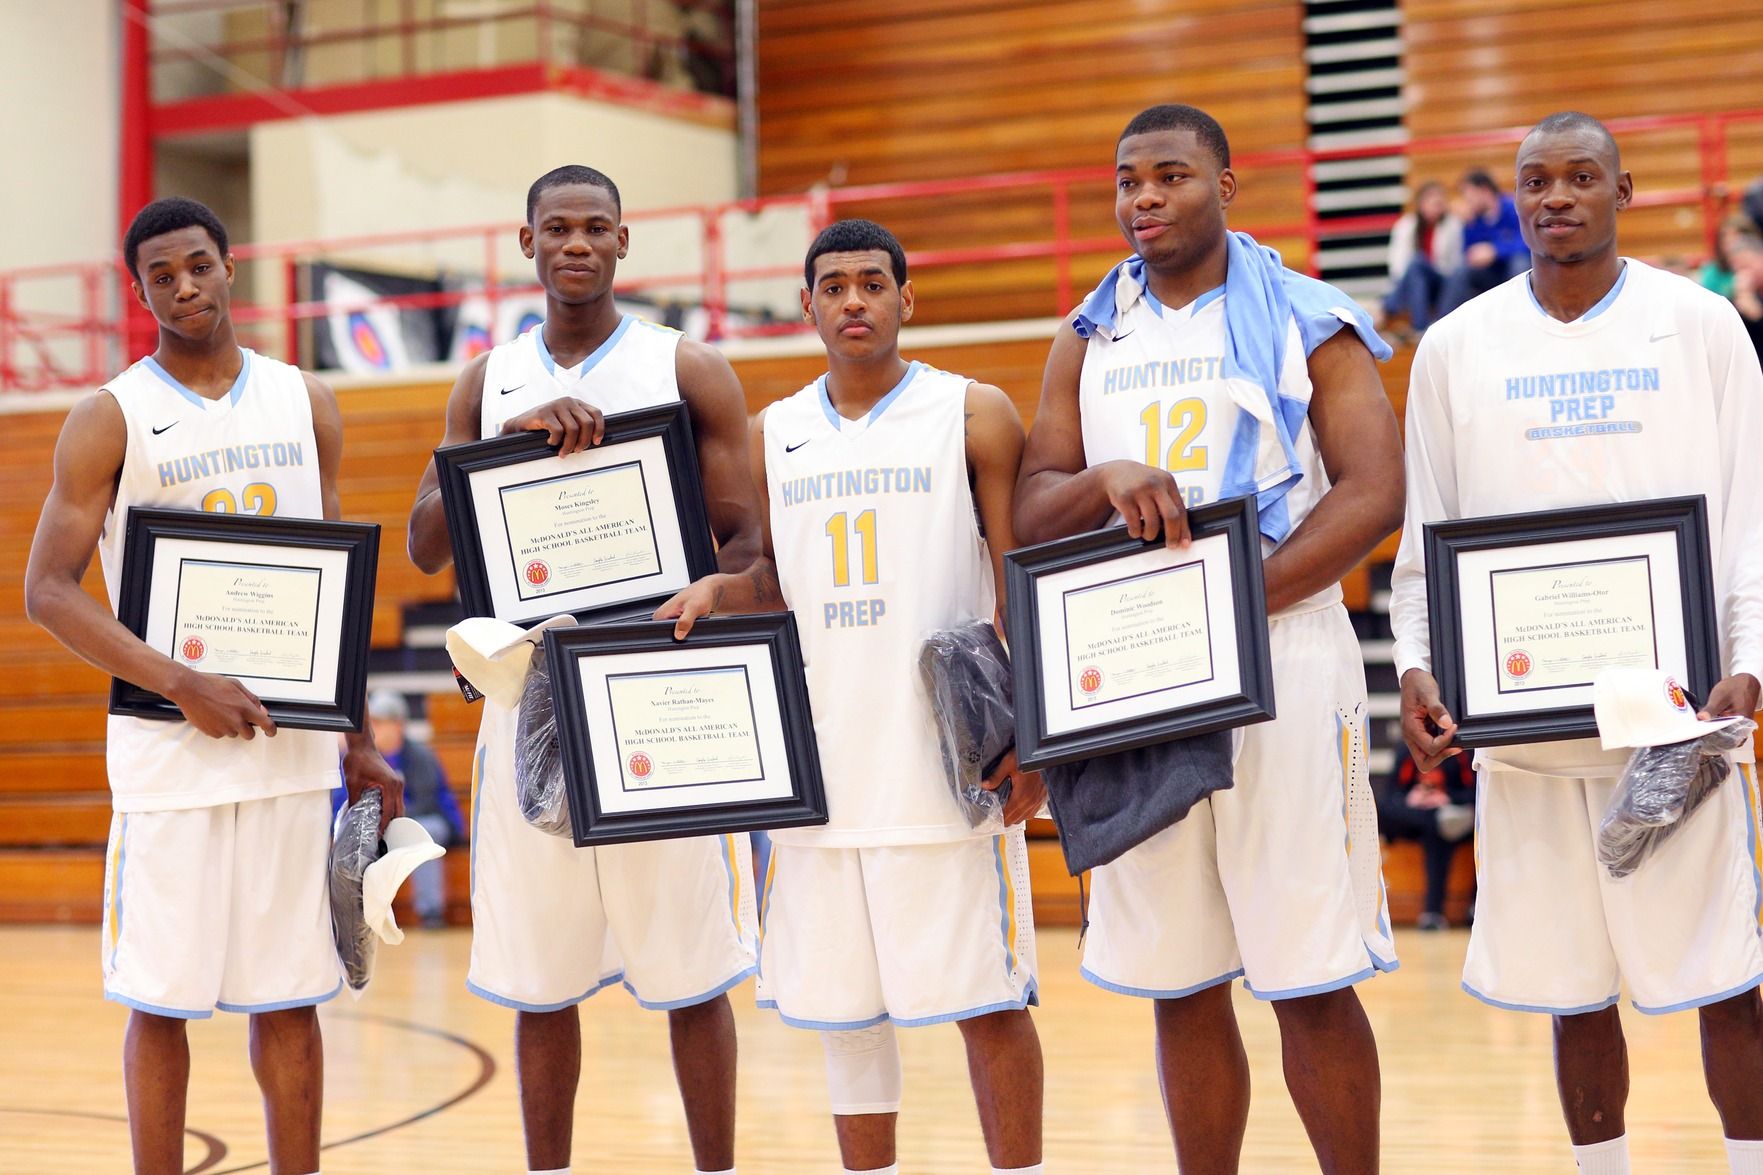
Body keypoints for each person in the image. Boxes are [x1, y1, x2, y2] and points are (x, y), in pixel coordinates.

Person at [1014, 104, 1403, 1173]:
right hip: (1139, 671)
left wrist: (1231, 605)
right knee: (1178, 977)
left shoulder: (1308, 318)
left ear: (1226, 185)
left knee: (1305, 974)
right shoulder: (1086, 336)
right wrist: (1101, 476)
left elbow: (1372, 494)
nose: (1142, 197)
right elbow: (1031, 508)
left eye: (1170, 176)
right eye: (1126, 179)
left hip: (1279, 661)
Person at [1391, 112, 1763, 1175]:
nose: (1555, 196)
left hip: (1677, 719)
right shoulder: (1456, 346)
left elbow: (1746, 512)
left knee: (1724, 973)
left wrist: (1747, 661)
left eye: (1580, 177)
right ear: (1512, 200)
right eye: (1534, 181)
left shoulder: (1698, 326)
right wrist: (1415, 660)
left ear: (1623, 189)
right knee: (1567, 988)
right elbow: (1427, 530)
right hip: (1523, 727)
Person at [22, 196, 404, 1175]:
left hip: (291, 748)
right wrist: (180, 678)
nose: (185, 286)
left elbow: (334, 584)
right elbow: (48, 590)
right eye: (162, 275)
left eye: (199, 265)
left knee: (291, 991)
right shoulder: (107, 415)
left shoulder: (303, 399)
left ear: (229, 266)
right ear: (139, 288)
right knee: (162, 996)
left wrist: (356, 733)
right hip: (169, 752)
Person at [407, 164, 775, 1175]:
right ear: (526, 245)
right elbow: (425, 545)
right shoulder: (487, 381)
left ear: (623, 242)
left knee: (693, 973)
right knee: (540, 976)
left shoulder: (683, 367)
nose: (576, 243)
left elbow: (747, 543)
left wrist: (711, 593)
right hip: (528, 694)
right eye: (556, 228)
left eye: (595, 228)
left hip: (658, 692)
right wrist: (499, 456)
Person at [750, 218, 1046, 1175]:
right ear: (805, 306)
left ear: (905, 300)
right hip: (820, 768)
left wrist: (1036, 736)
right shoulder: (773, 430)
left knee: (987, 1002)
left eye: (872, 284)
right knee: (845, 1013)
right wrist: (719, 591)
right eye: (831, 286)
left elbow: (1020, 584)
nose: (852, 301)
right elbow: (766, 580)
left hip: (946, 766)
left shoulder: (973, 411)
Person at [365, 689, 462, 927]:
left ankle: (431, 913)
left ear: (398, 724)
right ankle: (365, 912)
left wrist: (391, 819)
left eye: (380, 722)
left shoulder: (420, 756)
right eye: (373, 722)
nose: (374, 728)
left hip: (428, 820)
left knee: (425, 836)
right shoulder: (367, 757)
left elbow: (428, 802)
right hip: (387, 825)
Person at [1374, 742, 1474, 930]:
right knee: (1386, 810)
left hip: (1450, 818)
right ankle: (1433, 912)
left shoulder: (1461, 751)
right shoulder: (1407, 749)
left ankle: (1435, 912)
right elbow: (1390, 794)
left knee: (1441, 826)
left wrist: (1446, 798)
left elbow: (1475, 794)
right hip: (1417, 818)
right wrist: (1412, 798)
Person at [1380, 180, 1463, 338]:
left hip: (1442, 281)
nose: (1437, 208)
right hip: (1415, 282)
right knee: (1416, 268)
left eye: (1440, 203)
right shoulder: (1406, 225)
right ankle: (1419, 327)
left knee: (1417, 264)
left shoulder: (1452, 225)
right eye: (1433, 203)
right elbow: (1396, 264)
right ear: (1422, 204)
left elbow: (1455, 262)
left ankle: (1392, 308)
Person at [1442, 168, 1530, 313]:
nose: (1466, 201)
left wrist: (1495, 250)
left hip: (1514, 270)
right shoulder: (1473, 220)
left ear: (1484, 190)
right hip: (1490, 275)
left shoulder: (1512, 207)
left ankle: (1521, 314)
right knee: (1461, 271)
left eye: (1468, 196)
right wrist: (1467, 225)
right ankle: (1443, 322)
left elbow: (1528, 242)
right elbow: (1469, 253)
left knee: (1519, 262)